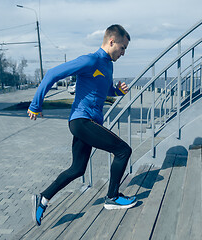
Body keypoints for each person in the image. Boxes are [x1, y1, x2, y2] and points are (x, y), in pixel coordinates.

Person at [27, 24, 136, 226]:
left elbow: (103, 91)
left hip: (87, 123)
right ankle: (112, 197)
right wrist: (35, 105)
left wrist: (117, 91)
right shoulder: (91, 59)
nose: (123, 53)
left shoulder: (108, 65)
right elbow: (52, 73)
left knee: (77, 169)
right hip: (82, 121)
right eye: (123, 47)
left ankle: (42, 199)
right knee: (123, 150)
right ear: (112, 41)